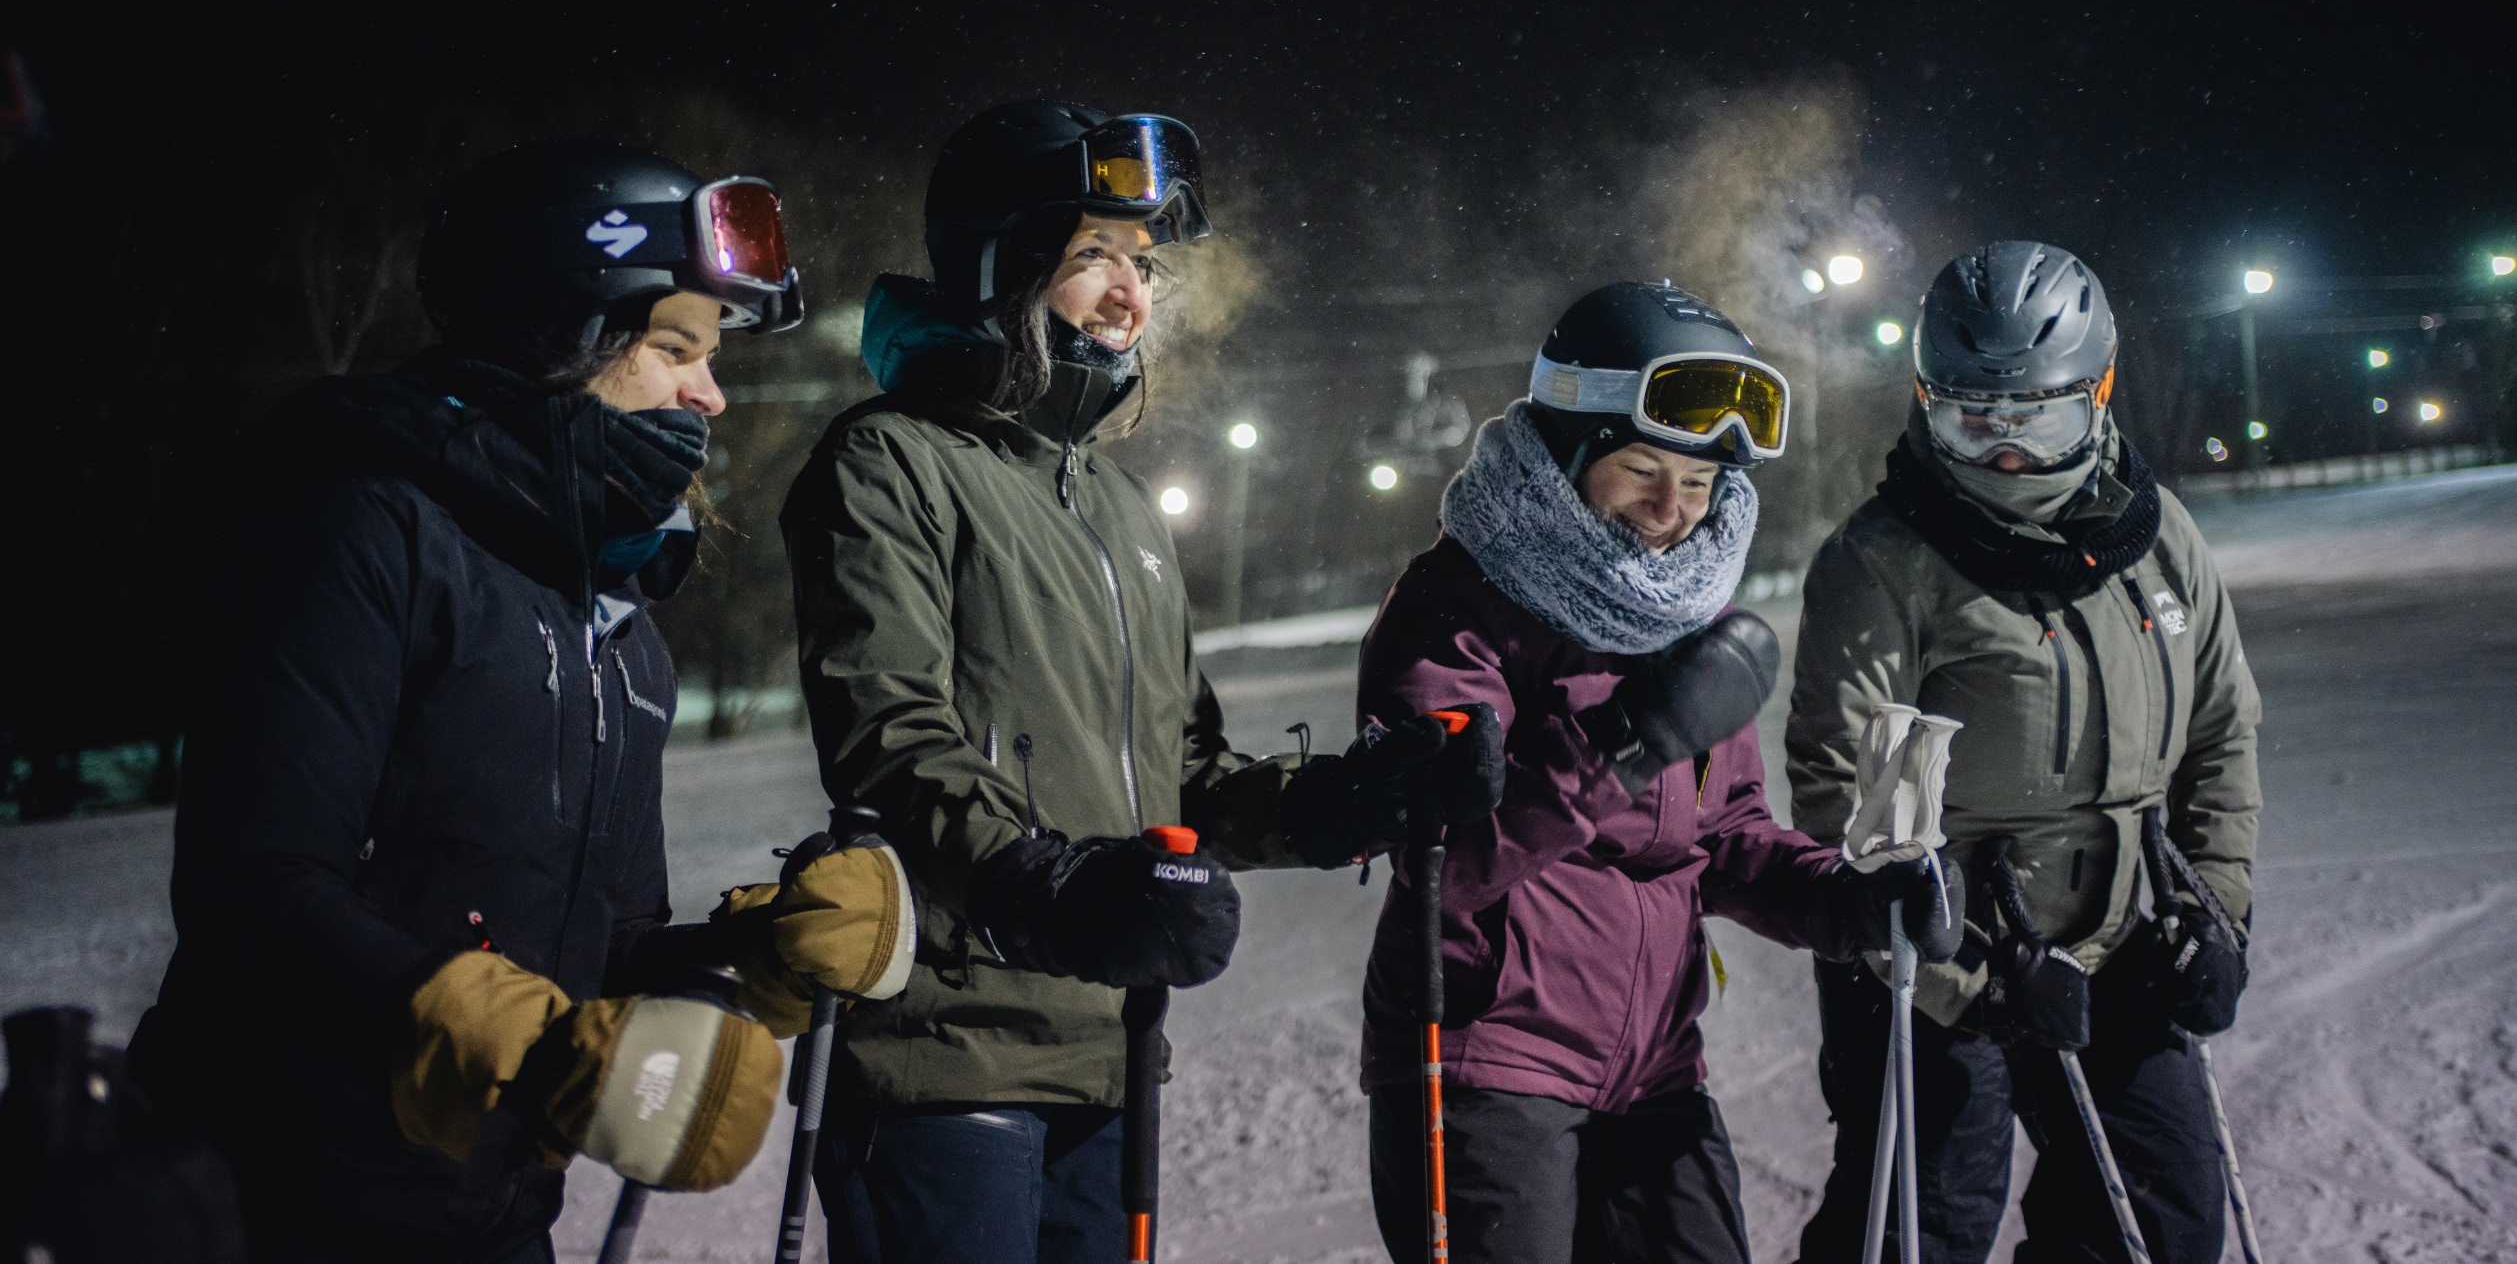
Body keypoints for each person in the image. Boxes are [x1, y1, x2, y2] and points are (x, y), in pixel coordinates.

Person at [127, 140, 919, 1264]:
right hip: (283, 1196)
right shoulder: (374, 531)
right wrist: (533, 1047)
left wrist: (755, 957)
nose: (713, 390)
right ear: (563, 336)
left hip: (490, 1206)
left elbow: (609, 944)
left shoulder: (623, 628)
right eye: (675, 344)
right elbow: (252, 888)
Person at [781, 99, 1499, 1264]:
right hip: (944, 1042)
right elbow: (890, 736)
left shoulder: (1115, 506)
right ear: (998, 267)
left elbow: (1185, 770)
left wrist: (1332, 801)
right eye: (1091, 258)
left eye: (1143, 263)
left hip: (1110, 1037)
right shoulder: (890, 462)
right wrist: (1044, 881)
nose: (1131, 294)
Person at [1356, 281, 1962, 1264]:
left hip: (1654, 1069)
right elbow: (1449, 854)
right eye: (1640, 470)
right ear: (1568, 456)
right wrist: (1627, 740)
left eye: (1698, 485)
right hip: (1485, 1059)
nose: (1669, 511)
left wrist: (1843, 900)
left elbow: (1722, 839)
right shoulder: (1457, 604)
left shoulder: (1681, 621)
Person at [1789, 242, 2261, 1263]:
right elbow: (1848, 802)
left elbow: (2221, 734)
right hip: (1934, 964)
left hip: (2114, 943)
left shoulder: (2158, 538)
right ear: (1926, 400)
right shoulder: (1882, 564)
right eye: (1972, 418)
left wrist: (2216, 911)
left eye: (2035, 418)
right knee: (1928, 1219)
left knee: (2165, 1217)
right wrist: (1978, 978)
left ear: (2097, 392)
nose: (2003, 452)